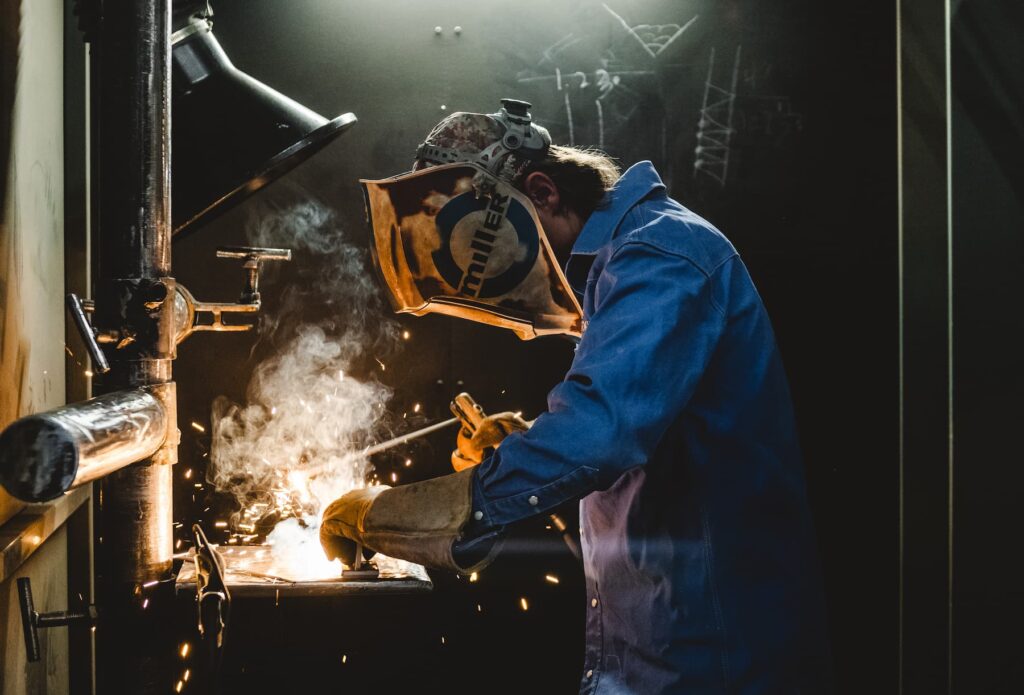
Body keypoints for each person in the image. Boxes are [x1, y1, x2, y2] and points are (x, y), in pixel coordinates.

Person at [321, 100, 832, 693]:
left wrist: (397, 512)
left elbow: (599, 435)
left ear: (543, 192)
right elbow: (641, 441)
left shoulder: (660, 257)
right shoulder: (623, 265)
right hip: (649, 654)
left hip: (717, 663)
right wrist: (524, 444)